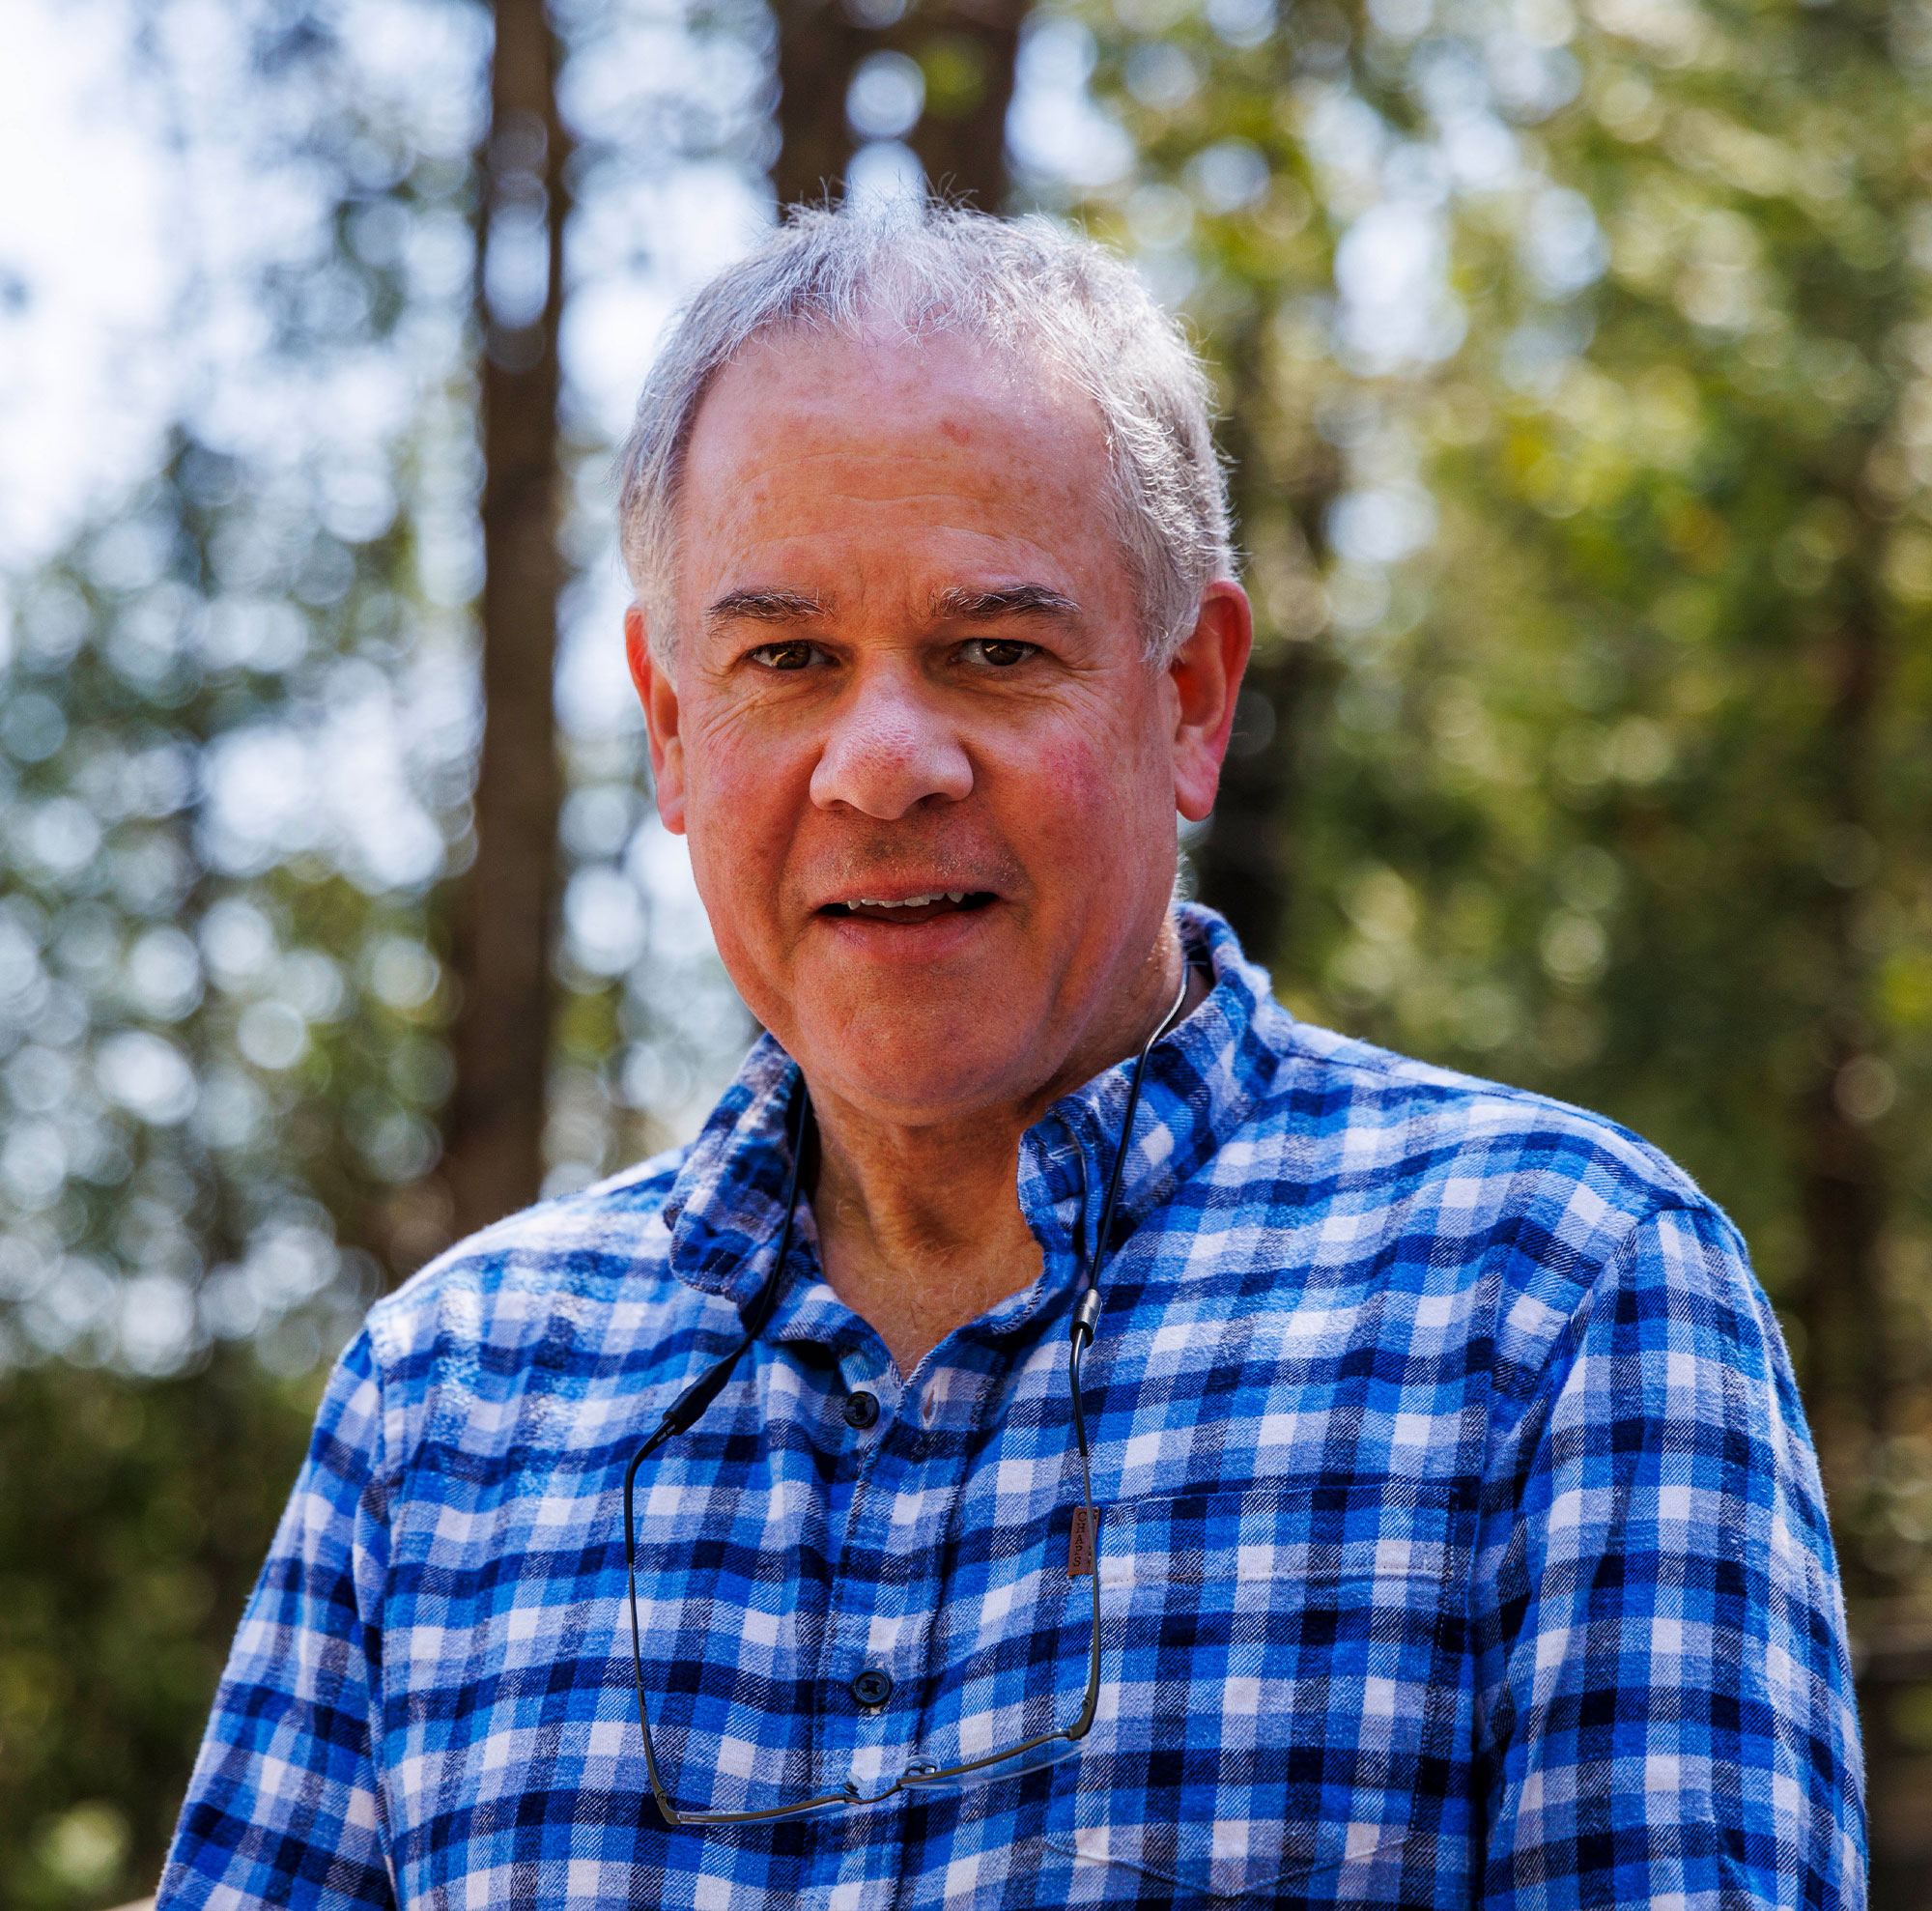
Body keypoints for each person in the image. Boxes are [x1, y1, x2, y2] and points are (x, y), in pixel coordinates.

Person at [159, 201, 1863, 1911]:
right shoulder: (443, 1403)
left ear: (1191, 696)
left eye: (993, 649)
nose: (882, 763)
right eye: (787, 660)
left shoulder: (1560, 1305)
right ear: (674, 729)